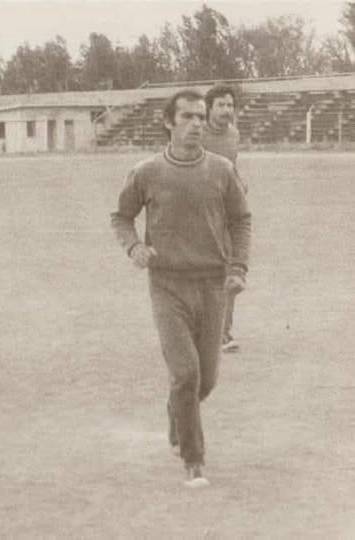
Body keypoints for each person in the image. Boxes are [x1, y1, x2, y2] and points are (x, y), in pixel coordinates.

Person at [111, 89, 251, 487]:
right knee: (186, 372)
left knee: (206, 380)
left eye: (200, 117)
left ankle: (178, 411)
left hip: (212, 284)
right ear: (168, 122)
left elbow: (241, 219)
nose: (196, 124)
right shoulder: (146, 172)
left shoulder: (222, 170)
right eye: (187, 116)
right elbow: (121, 217)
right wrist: (134, 246)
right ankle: (194, 460)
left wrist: (238, 267)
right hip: (167, 285)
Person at [203, 84, 245, 353]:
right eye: (221, 105)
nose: (227, 110)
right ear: (209, 108)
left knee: (230, 270)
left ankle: (223, 333)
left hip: (226, 213)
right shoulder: (195, 133)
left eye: (230, 105)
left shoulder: (233, 134)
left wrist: (239, 185)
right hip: (199, 214)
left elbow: (232, 168)